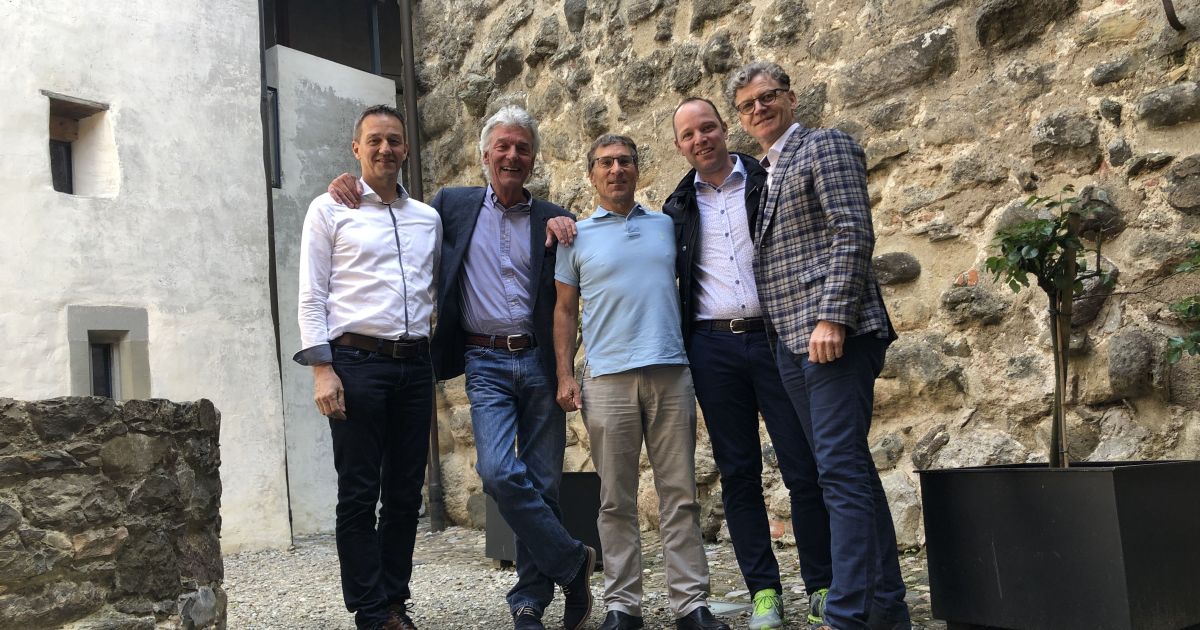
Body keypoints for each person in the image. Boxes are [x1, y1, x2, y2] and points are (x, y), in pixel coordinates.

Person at [328, 105, 595, 630]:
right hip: (485, 359)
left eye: (522, 148)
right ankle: (572, 560)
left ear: (533, 158)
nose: (512, 156)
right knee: (497, 472)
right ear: (484, 155)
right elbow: (395, 215)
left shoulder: (553, 217)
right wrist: (350, 184)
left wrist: (566, 370)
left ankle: (529, 600)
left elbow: (567, 298)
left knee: (543, 484)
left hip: (539, 359)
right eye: (502, 147)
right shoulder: (450, 207)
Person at [727, 61, 911, 630]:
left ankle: (847, 614)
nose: (759, 109)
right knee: (848, 469)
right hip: (790, 341)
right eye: (748, 105)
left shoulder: (824, 145)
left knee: (838, 472)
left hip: (832, 335)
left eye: (768, 97)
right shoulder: (767, 172)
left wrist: (833, 317)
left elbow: (852, 231)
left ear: (791, 97)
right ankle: (886, 609)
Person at [664, 97, 833, 630]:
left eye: (707, 128)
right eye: (688, 135)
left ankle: (822, 585)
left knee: (803, 465)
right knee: (738, 473)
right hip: (712, 348)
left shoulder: (766, 181)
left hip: (775, 336)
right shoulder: (676, 208)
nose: (700, 140)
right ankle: (764, 592)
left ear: (724, 128)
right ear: (679, 146)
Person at [553, 134, 730, 630]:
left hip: (671, 371)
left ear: (637, 168)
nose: (616, 170)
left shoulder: (666, 225)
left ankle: (691, 605)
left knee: (681, 495)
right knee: (615, 500)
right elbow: (564, 311)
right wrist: (564, 374)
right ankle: (622, 606)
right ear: (591, 174)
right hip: (606, 378)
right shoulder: (575, 236)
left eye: (625, 161)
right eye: (605, 163)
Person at [296, 104, 441, 630]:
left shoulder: (427, 218)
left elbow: (432, 288)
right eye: (374, 140)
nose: (385, 149)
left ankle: (394, 601)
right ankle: (370, 610)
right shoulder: (329, 210)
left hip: (414, 366)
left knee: (404, 494)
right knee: (358, 493)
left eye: (394, 140)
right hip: (355, 363)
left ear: (406, 149)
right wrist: (322, 369)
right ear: (356, 149)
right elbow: (312, 296)